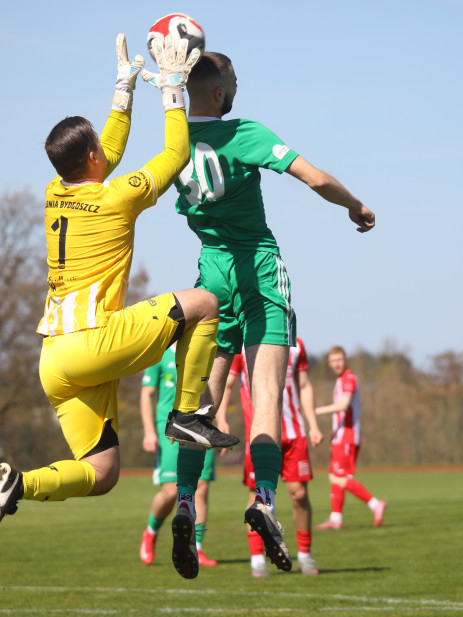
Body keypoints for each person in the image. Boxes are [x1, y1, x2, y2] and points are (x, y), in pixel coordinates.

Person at [0, 34, 237, 582]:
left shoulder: (57, 191)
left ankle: (18, 485)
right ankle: (189, 414)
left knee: (102, 472)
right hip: (93, 341)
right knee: (206, 303)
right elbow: (175, 154)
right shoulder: (115, 198)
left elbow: (105, 154)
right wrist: (169, 91)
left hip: (53, 361)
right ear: (91, 156)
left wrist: (122, 93)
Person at [163, 51, 375, 573]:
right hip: (258, 271)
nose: (237, 87)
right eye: (233, 81)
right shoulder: (245, 132)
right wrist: (355, 205)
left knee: (199, 410)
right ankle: (264, 501)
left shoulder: (172, 144)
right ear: (218, 93)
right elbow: (316, 178)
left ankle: (186, 502)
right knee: (264, 403)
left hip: (210, 281)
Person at [218, 338, 324, 577]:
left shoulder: (296, 344)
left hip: (294, 434)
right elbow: (228, 383)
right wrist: (222, 419)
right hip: (260, 435)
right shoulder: (243, 344)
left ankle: (305, 555)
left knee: (299, 494)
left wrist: (314, 424)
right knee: (256, 496)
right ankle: (257, 558)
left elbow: (304, 386)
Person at [139, 343, 218, 568]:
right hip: (169, 428)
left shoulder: (205, 348)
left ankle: (196, 547)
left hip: (201, 426)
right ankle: (151, 531)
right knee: (171, 490)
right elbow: (147, 394)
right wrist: (149, 431)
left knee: (201, 487)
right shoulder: (160, 353)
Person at [315, 346, 386, 529]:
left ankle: (375, 504)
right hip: (339, 437)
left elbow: (343, 405)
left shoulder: (349, 379)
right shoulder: (340, 381)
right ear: (329, 363)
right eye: (333, 361)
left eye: (339, 360)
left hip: (347, 437)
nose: (336, 363)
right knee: (335, 477)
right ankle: (336, 519)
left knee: (339, 478)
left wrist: (314, 411)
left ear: (346, 360)